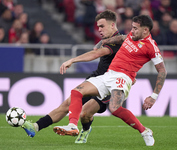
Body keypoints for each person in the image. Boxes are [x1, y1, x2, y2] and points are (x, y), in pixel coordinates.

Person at [57, 15, 167, 146]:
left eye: (136, 28)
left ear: (145, 30)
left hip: (124, 77)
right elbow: (121, 38)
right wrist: (103, 42)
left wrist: (153, 96)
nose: (132, 30)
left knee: (114, 109)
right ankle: (72, 125)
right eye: (132, 27)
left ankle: (144, 131)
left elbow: (162, 71)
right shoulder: (132, 35)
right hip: (109, 74)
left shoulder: (151, 47)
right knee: (76, 91)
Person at [21, 9, 122, 141]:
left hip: (108, 85)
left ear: (112, 25)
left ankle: (85, 130)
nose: (99, 30)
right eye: (98, 27)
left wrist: (73, 60)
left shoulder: (119, 42)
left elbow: (95, 54)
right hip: (96, 78)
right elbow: (97, 49)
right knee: (66, 105)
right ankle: (35, 126)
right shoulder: (108, 39)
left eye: (102, 26)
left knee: (84, 114)